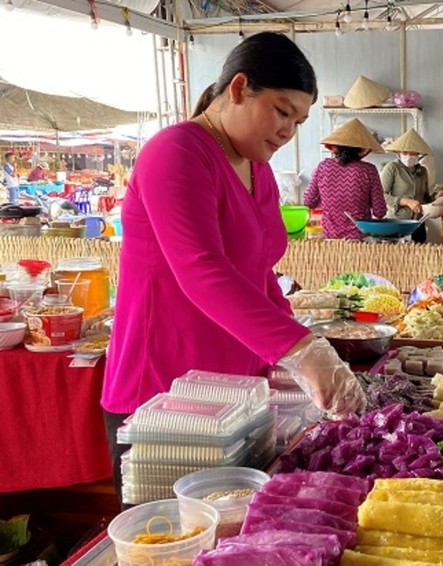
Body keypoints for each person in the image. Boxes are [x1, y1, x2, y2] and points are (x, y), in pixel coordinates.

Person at [103, 32, 366, 504]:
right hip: (167, 391)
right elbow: (200, 267)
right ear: (239, 88)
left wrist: (297, 355)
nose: (289, 131)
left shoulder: (256, 166)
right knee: (177, 538)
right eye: (282, 111)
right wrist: (301, 348)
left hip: (236, 396)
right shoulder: (176, 152)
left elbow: (260, 272)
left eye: (299, 120)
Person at [303, 118, 387, 240]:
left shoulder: (323, 167)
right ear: (361, 149)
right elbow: (380, 211)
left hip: (330, 237)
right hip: (359, 238)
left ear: (336, 147)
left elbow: (308, 201)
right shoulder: (369, 170)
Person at [381, 128, 440, 244]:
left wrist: (437, 195)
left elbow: (425, 198)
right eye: (405, 153)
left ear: (419, 155)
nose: (409, 156)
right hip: (397, 222)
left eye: (413, 153)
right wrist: (406, 201)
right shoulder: (392, 168)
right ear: (399, 153)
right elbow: (382, 195)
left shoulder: (422, 171)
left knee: (419, 256)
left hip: (418, 222)